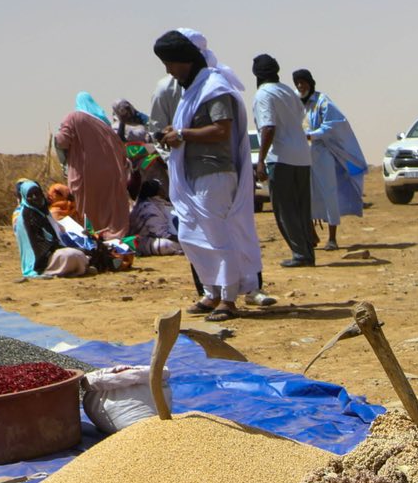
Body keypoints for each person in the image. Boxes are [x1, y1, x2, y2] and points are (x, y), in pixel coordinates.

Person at [153, 28, 267, 321]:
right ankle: (211, 293)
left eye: (170, 63)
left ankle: (228, 300)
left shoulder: (214, 86)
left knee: (219, 238)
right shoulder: (192, 90)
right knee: (192, 237)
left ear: (184, 60)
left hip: (214, 173)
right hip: (194, 175)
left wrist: (182, 134)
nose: (168, 70)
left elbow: (221, 129)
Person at [252, 54, 317, 267]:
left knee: (285, 209)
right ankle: (307, 251)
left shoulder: (263, 94)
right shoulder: (288, 91)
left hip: (281, 158)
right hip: (302, 156)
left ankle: (301, 254)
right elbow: (299, 118)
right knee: (301, 207)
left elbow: (269, 127)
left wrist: (260, 161)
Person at [293, 70, 366, 250]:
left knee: (329, 192)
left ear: (310, 83)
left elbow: (334, 123)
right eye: (298, 83)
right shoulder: (294, 101)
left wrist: (313, 135)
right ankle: (311, 234)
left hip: (322, 153)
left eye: (304, 82)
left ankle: (332, 238)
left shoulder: (322, 101)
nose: (301, 86)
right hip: (301, 155)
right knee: (305, 195)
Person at [55, 111, 132, 238]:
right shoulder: (104, 125)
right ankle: (109, 235)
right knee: (107, 206)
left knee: (85, 208)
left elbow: (62, 140)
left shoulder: (73, 117)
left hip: (84, 174)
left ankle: (88, 236)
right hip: (110, 174)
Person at [13, 180, 89, 278]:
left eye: (37, 194)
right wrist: (59, 247)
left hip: (53, 251)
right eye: (30, 196)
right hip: (40, 261)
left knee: (78, 254)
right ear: (24, 197)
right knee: (72, 256)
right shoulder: (26, 217)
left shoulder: (43, 212)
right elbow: (40, 246)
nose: (35, 198)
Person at [128, 179, 184, 255]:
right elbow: (160, 233)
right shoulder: (149, 208)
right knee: (166, 244)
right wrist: (181, 239)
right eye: (161, 188)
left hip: (149, 238)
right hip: (144, 242)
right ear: (157, 192)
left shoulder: (154, 204)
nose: (164, 190)